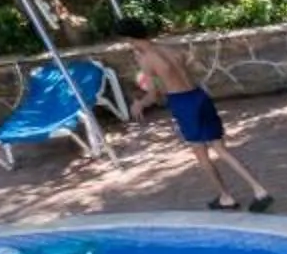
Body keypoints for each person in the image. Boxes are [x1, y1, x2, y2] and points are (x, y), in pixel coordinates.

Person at [112, 17, 273, 212]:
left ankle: (225, 197)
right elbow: (187, 64)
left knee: (201, 155)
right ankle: (259, 190)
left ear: (128, 38)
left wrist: (139, 104)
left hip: (182, 104)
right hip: (199, 96)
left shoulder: (147, 59)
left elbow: (154, 96)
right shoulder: (169, 49)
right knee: (221, 149)